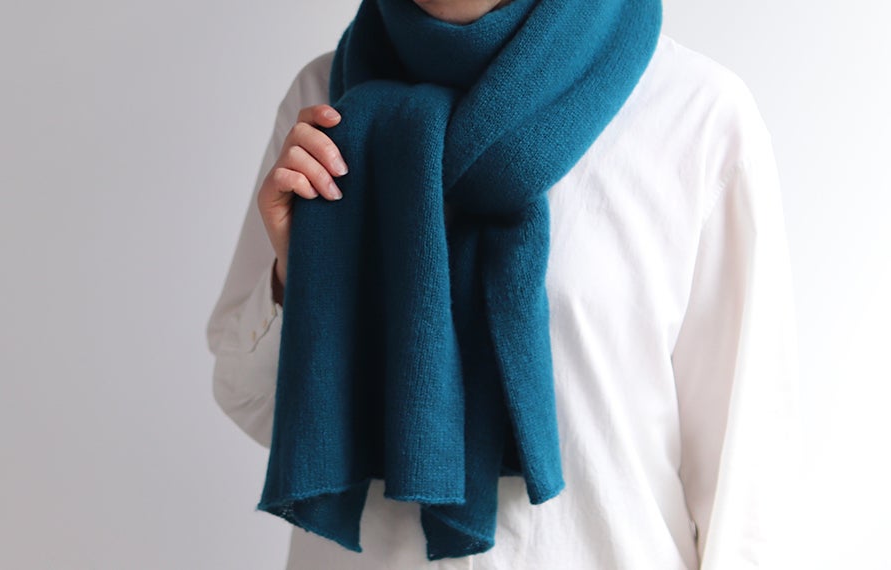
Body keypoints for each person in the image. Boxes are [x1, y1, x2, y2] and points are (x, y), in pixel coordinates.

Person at [206, 0, 801, 568]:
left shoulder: (695, 113)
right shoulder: (326, 102)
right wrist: (300, 274)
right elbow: (250, 405)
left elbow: (748, 481)